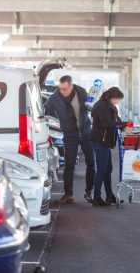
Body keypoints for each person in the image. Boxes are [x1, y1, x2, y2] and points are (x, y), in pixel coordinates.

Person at [45, 75, 95, 204]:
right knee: (69, 165)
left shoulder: (81, 91)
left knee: (91, 163)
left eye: (65, 89)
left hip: (85, 132)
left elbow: (90, 105)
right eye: (61, 88)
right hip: (69, 134)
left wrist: (91, 103)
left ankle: (89, 192)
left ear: (71, 86)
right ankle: (68, 194)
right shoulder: (54, 97)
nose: (63, 91)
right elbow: (45, 110)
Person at [90, 87, 130, 206]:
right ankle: (96, 197)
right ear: (112, 97)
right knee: (102, 170)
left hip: (104, 141)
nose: (118, 102)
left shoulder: (109, 106)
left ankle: (109, 195)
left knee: (108, 170)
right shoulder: (103, 106)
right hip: (99, 141)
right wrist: (123, 125)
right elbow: (107, 124)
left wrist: (124, 125)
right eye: (117, 99)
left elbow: (116, 120)